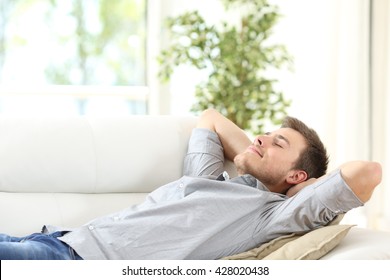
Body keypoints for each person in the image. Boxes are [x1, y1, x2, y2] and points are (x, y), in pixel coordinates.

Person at [0, 109, 382, 260]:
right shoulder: (206, 179)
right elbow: (210, 119)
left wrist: (301, 189)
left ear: (299, 178)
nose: (261, 139)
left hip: (76, 264)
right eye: (263, 134)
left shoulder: (274, 215)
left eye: (277, 142)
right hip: (56, 239)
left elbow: (366, 173)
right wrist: (255, 154)